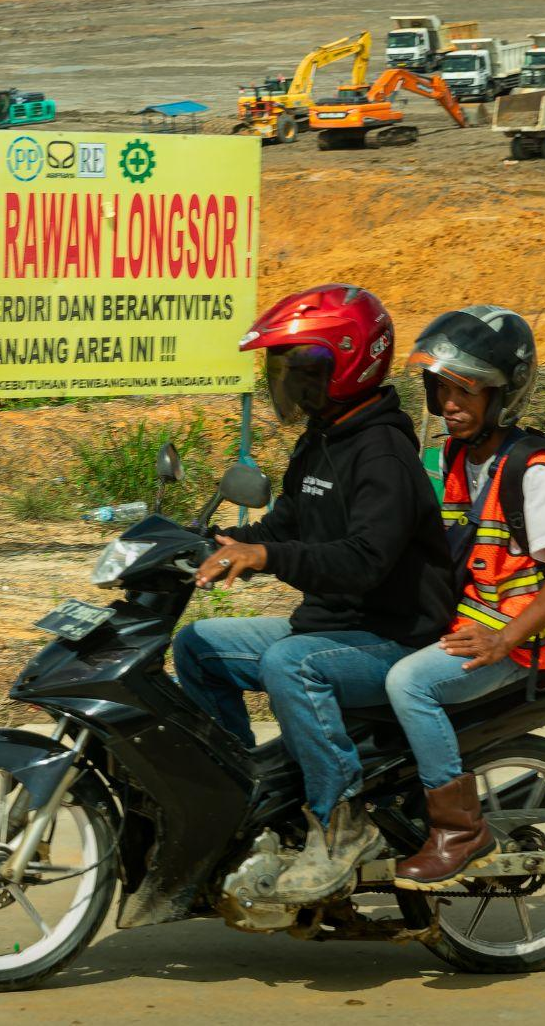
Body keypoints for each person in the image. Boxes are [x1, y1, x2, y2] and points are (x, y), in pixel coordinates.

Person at [172, 284, 454, 902]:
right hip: (334, 626)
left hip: (390, 635)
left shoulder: (382, 453)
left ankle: (341, 820)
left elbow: (365, 561)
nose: (292, 384)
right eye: (284, 370)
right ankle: (243, 799)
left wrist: (267, 557)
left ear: (349, 365)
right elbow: (288, 524)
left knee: (290, 665)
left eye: (304, 369)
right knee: (198, 647)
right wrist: (222, 543)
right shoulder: (324, 437)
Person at [386, 307, 545, 890]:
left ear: (503, 393)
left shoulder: (533, 471)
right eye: (442, 388)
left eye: (467, 390)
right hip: (473, 625)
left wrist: (505, 638)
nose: (450, 403)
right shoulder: (460, 456)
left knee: (409, 684)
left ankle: (458, 831)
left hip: (522, 644)